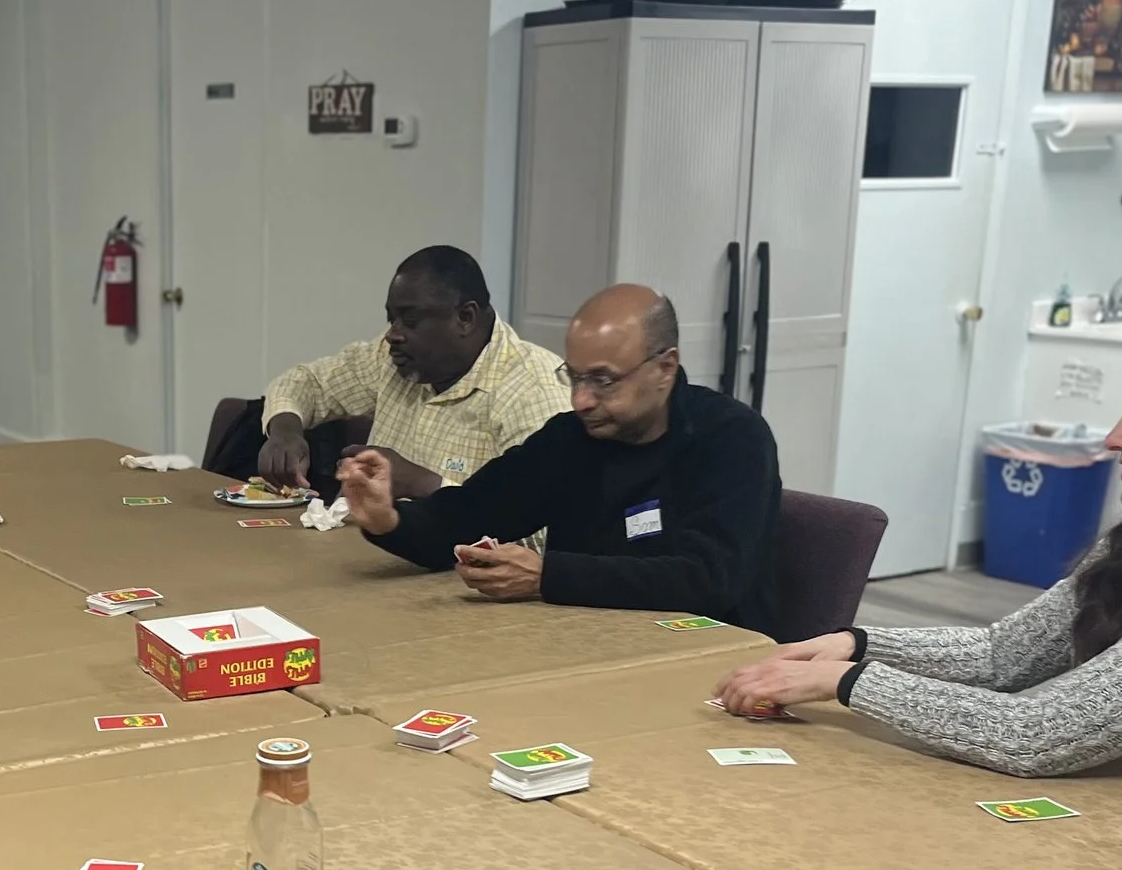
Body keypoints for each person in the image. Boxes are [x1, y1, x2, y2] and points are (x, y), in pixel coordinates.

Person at [714, 310, 1122, 784]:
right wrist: (859, 645)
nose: (1113, 438)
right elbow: (1004, 655)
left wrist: (844, 681)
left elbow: (1036, 732)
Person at [336, 283, 783, 632]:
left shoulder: (731, 437)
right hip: (586, 640)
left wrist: (547, 577)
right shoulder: (573, 437)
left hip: (709, 655)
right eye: (573, 377)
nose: (581, 399)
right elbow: (470, 514)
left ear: (664, 368)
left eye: (603, 381)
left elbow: (709, 579)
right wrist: (389, 520)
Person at [257, 246, 565, 498]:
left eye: (410, 320)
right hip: (362, 552)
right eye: (392, 319)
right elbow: (306, 382)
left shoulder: (533, 390)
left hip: (455, 571)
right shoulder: (394, 358)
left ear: (466, 317)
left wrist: (427, 486)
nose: (393, 334)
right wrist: (286, 432)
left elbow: (543, 533)